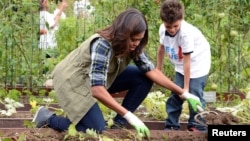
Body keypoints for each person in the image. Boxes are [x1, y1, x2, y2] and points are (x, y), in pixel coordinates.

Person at [32, 8, 202, 138]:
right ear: (123, 33)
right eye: (133, 39)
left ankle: (118, 125)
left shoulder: (133, 45)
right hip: (73, 81)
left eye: (139, 40)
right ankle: (47, 117)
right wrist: (129, 115)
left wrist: (184, 93)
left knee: (142, 78)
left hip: (94, 79)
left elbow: (151, 71)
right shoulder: (103, 45)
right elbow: (97, 90)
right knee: (95, 131)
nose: (136, 44)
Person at [156, 0, 211, 131]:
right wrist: (159, 68)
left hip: (198, 64)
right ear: (163, 21)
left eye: (175, 26)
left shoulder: (185, 34)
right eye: (169, 26)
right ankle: (171, 125)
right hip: (181, 66)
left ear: (181, 19)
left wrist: (185, 89)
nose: (172, 29)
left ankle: (197, 125)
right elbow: (161, 48)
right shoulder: (163, 30)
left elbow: (188, 62)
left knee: (194, 94)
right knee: (175, 95)